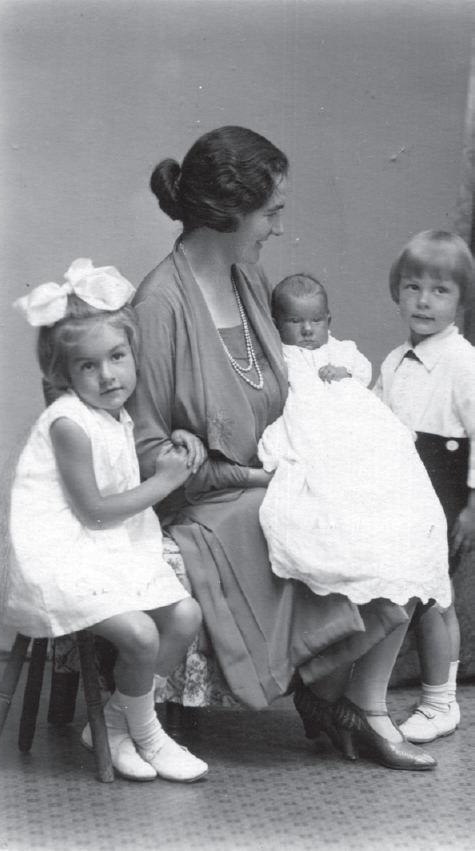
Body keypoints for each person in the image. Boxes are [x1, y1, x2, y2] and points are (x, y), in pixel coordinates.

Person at [128, 125, 437, 770]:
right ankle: (334, 702)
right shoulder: (160, 306)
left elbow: (286, 387)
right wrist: (258, 476)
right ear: (229, 212)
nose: (276, 227)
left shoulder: (247, 277)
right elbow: (148, 450)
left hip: (269, 472)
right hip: (206, 501)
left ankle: (346, 701)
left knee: (377, 502)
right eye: (271, 212)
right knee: (319, 520)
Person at [5, 259, 208, 783]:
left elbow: (123, 478)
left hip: (107, 550)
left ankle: (115, 723)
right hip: (63, 559)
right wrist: (164, 483)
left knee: (185, 617)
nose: (108, 375)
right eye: (88, 367)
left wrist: (178, 448)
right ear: (65, 375)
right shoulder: (70, 422)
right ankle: (149, 735)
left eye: (117, 357)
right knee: (140, 635)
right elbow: (94, 510)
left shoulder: (114, 414)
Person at [258, 273, 451, 616]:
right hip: (314, 426)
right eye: (295, 321)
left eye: (316, 321)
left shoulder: (340, 349)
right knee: (324, 483)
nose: (307, 330)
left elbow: (362, 371)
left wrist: (344, 372)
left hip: (357, 425)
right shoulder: (281, 357)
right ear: (276, 324)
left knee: (384, 464)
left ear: (328, 320)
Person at [374, 230, 475, 743]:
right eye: (412, 287)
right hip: (400, 490)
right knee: (403, 590)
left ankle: (441, 701)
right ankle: (372, 690)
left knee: (437, 597)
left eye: (440, 291)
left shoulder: (463, 364)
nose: (424, 301)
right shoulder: (394, 362)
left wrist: (471, 507)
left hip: (444, 487)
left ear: (461, 300)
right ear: (397, 292)